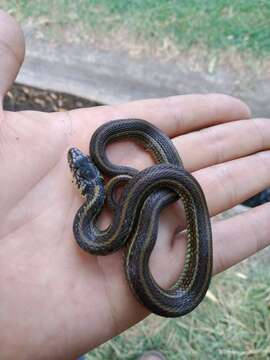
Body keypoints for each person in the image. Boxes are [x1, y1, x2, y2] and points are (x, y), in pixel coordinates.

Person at [0, 10, 269, 360]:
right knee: (161, 196)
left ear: (91, 183)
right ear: (89, 185)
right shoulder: (92, 221)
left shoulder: (99, 210)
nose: (76, 160)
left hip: (149, 185)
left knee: (163, 194)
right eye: (77, 165)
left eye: (77, 165)